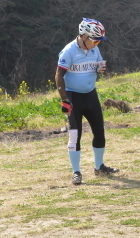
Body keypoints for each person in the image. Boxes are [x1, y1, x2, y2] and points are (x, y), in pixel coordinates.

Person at [55, 18, 118, 185]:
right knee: (75, 135)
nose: (97, 44)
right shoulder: (68, 51)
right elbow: (58, 75)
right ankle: (76, 172)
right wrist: (64, 100)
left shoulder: (94, 50)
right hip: (73, 96)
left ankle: (99, 167)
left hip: (90, 94)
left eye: (99, 41)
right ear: (83, 36)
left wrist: (100, 69)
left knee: (99, 131)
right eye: (95, 40)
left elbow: (98, 65)